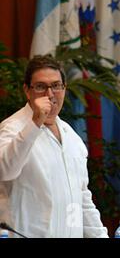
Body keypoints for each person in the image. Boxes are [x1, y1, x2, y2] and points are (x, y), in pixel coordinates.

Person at [0, 55, 108, 238]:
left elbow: (82, 199)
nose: (50, 94)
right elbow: (5, 170)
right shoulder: (12, 127)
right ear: (27, 91)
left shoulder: (72, 137)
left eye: (56, 86)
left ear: (64, 89)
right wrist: (35, 123)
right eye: (41, 86)